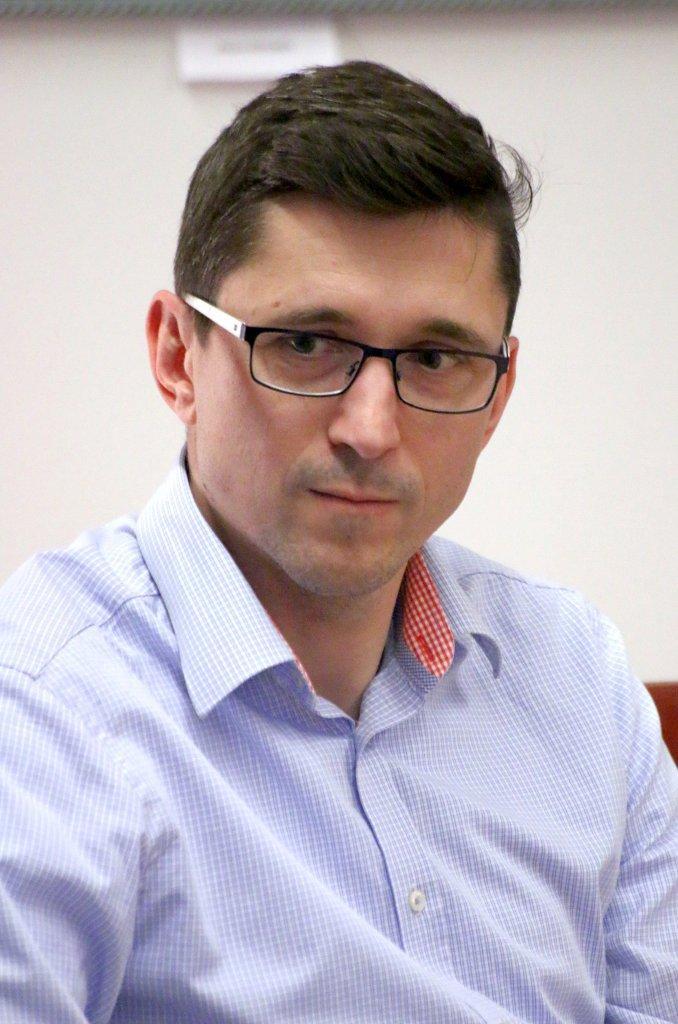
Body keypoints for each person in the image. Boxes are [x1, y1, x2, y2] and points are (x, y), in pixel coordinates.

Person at [0, 61, 675, 1024]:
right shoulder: (39, 712)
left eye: (435, 358)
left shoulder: (579, 685)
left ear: (498, 395)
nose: (371, 428)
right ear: (176, 356)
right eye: (307, 345)